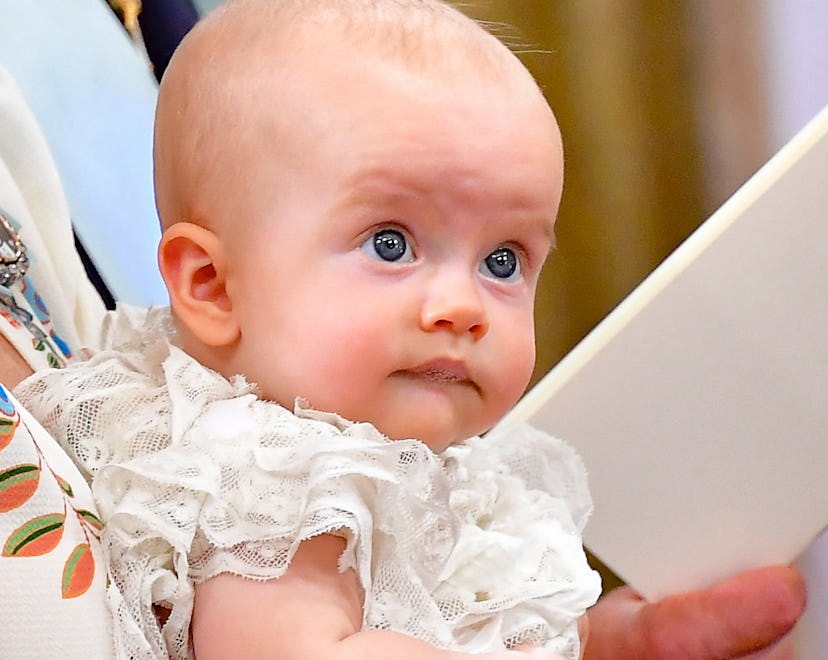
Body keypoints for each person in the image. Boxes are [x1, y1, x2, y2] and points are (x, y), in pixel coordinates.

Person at [4, 2, 807, 659]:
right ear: (213, 287)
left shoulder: (416, 466)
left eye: (503, 260)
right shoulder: (268, 479)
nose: (462, 306)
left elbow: (461, 613)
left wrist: (612, 641)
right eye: (391, 244)